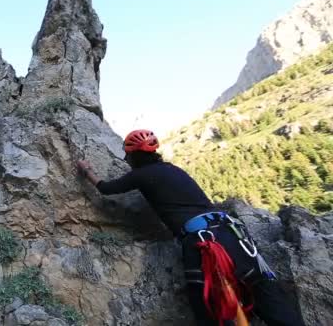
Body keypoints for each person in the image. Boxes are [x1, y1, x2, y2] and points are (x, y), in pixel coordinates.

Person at [76, 129, 305, 326]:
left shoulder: (141, 175)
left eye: (127, 156)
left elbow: (106, 189)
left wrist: (87, 171)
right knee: (262, 290)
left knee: (206, 304)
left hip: (203, 241)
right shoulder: (173, 169)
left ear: (133, 156)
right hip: (232, 233)